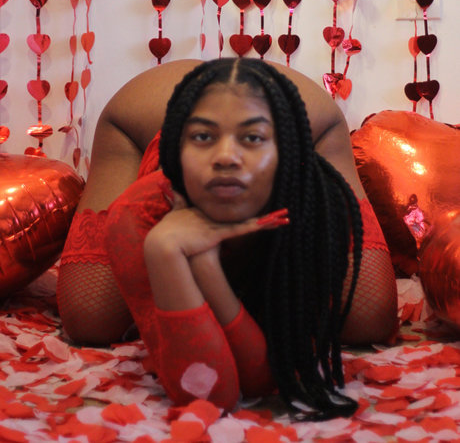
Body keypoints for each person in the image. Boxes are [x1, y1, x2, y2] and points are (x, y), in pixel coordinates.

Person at [57, 58, 397, 420]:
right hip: (144, 113)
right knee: (90, 320)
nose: (226, 158)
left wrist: (205, 268)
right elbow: (208, 395)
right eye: (203, 137)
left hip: (310, 119)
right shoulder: (139, 212)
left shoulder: (303, 196)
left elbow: (261, 378)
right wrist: (165, 249)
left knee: (368, 320)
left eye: (252, 139)